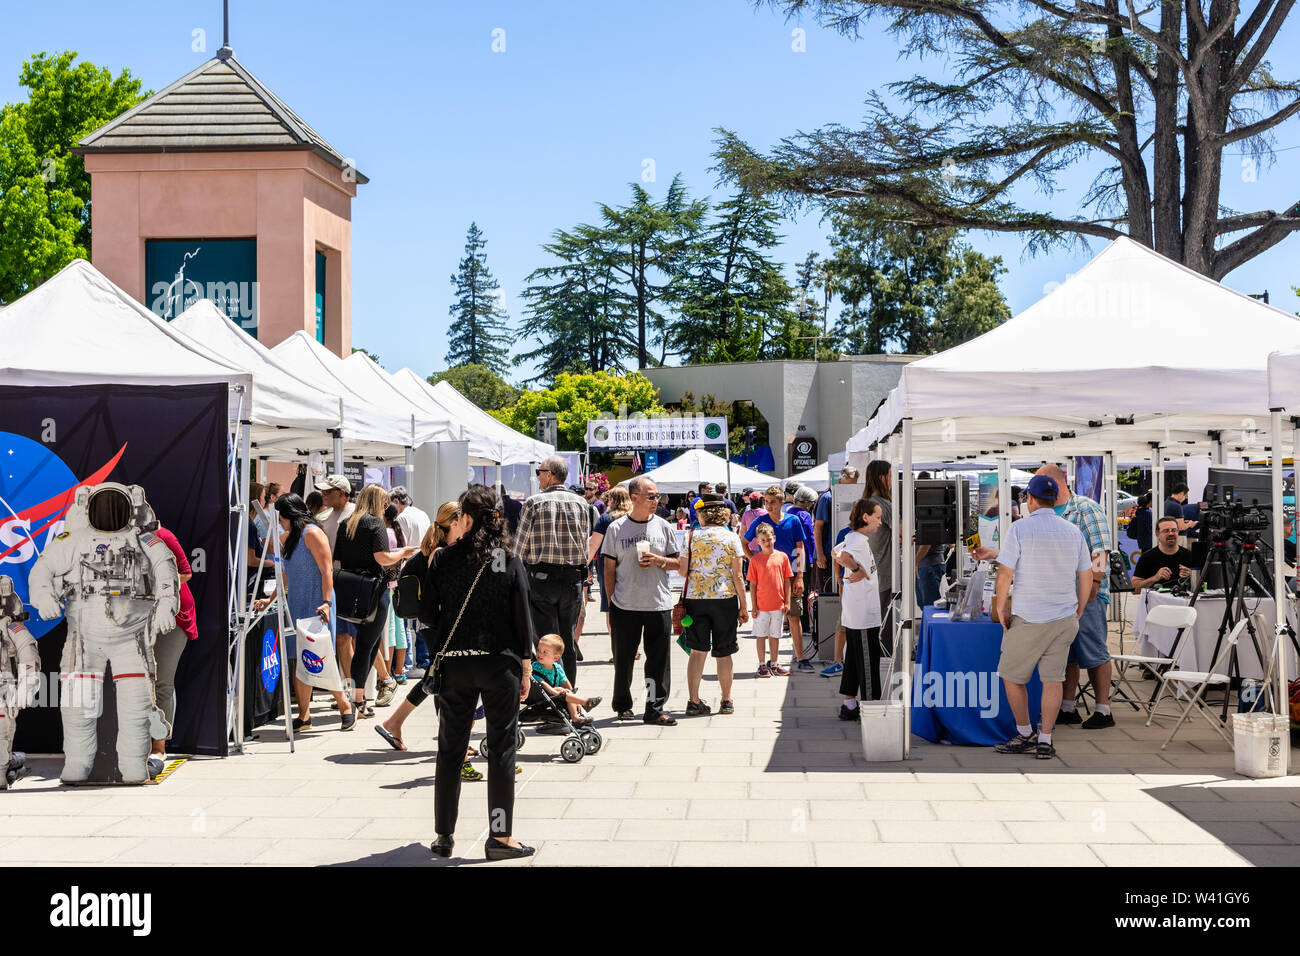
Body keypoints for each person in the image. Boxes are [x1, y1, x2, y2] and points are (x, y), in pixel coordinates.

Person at [424, 485, 536, 861]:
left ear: (465, 519)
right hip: (498, 662)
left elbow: (427, 613)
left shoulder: (443, 558)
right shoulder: (505, 559)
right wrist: (526, 663)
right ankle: (499, 837)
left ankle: (443, 835)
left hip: (455, 663)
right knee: (501, 748)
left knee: (450, 750)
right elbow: (522, 615)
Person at [991, 474, 1093, 760]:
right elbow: (1086, 575)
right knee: (1053, 680)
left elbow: (1005, 573)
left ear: (1030, 500)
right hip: (1063, 616)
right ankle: (1045, 739)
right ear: (1056, 499)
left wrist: (1001, 607)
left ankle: (1025, 734)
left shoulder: (1019, 529)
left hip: (1029, 615)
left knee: (1011, 676)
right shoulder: (1073, 531)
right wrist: (1080, 607)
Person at [253, 494, 354, 733]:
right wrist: (270, 600)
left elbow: (327, 570)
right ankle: (304, 716)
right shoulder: (291, 538)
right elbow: (286, 575)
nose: (278, 519)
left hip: (317, 603)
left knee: (321, 657)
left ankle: (346, 707)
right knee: (299, 659)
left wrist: (327, 602)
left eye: (280, 515)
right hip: (297, 603)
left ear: (289, 514)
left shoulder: (312, 533)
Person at [1040, 464, 1115, 731]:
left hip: (1086, 595)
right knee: (1067, 655)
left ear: (1054, 483)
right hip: (1059, 598)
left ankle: (1103, 710)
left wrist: (1093, 585)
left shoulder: (1085, 508)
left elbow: (1101, 549)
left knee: (1094, 651)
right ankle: (1068, 707)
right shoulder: (1047, 512)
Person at [333, 484, 418, 720]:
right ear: (377, 502)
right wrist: (403, 552)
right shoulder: (375, 523)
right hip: (373, 590)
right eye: (384, 503)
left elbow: (337, 559)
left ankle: (357, 698)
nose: (385, 507)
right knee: (366, 646)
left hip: (348, 589)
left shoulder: (346, 524)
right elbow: (381, 557)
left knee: (363, 644)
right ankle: (357, 700)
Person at [602, 476, 680, 725]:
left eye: (657, 495)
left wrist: (659, 561)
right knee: (623, 659)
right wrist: (612, 600)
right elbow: (608, 569)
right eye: (651, 496)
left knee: (658, 661)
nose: (656, 500)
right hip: (625, 605)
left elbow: (679, 564)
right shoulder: (616, 528)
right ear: (634, 498)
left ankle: (654, 709)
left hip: (658, 603)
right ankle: (623, 705)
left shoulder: (664, 527)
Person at [515, 455, 594, 686]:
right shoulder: (581, 504)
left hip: (542, 578)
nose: (538, 475)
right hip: (571, 578)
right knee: (566, 641)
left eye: (540, 471)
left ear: (549, 475)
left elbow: (520, 547)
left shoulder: (534, 502)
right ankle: (569, 692)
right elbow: (584, 543)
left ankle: (551, 695)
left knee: (544, 641)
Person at [678, 493, 748, 715]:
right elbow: (738, 576)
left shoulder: (690, 537)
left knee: (697, 652)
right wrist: (744, 606)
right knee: (724, 652)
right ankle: (726, 701)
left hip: (696, 599)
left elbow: (682, 570)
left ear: (702, 514)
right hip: (724, 600)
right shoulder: (731, 538)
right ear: (724, 514)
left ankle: (693, 701)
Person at [148, 523, 198, 778]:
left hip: (173, 617)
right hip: (136, 620)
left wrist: (148, 585)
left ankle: (159, 748)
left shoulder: (162, 535)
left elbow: (185, 573)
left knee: (161, 682)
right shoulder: (114, 539)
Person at [743, 484, 810, 669]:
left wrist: (800, 576)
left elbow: (800, 548)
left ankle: (800, 657)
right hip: (767, 580)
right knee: (766, 622)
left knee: (794, 615)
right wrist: (756, 561)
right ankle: (767, 662)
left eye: (772, 502)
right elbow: (744, 542)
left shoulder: (793, 520)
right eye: (766, 502)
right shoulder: (760, 522)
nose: (768, 505)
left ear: (782, 502)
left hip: (790, 575)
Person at [831, 498, 884, 720]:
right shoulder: (857, 541)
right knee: (868, 660)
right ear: (865, 517)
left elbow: (836, 552)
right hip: (862, 614)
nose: (880, 522)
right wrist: (855, 567)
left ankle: (849, 704)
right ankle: (871, 707)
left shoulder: (854, 538)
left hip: (858, 611)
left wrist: (857, 569)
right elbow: (841, 556)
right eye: (878, 517)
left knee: (854, 658)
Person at [590, 486, 637, 663]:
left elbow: (594, 544)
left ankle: (617, 650)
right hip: (631, 566)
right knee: (633, 607)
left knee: (611, 607)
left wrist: (584, 564)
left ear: (611, 500)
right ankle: (633, 648)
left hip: (607, 567)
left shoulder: (605, 519)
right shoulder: (634, 517)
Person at [747, 523, 792, 676]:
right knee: (761, 635)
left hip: (778, 605)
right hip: (761, 606)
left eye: (768, 539)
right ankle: (761, 664)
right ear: (758, 542)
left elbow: (787, 580)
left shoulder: (782, 557)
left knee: (775, 635)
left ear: (774, 538)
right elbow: (752, 584)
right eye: (763, 540)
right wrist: (753, 605)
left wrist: (787, 602)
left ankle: (774, 663)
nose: (767, 542)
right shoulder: (755, 560)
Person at [529, 634, 601, 725]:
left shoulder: (557, 668)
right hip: (540, 695)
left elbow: (566, 682)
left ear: (555, 658)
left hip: (553, 696)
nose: (539, 654)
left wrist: (575, 700)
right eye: (538, 650)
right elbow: (541, 683)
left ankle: (577, 714)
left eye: (544, 652)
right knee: (561, 690)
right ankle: (585, 703)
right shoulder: (535, 667)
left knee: (566, 690)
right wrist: (554, 692)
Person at [1130, 517, 1193, 593]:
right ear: (1157, 534)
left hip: (1183, 603)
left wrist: (1191, 577)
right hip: (1157, 603)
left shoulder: (1189, 556)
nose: (1171, 533)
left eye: (1174, 530)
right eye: (1166, 531)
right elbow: (1134, 589)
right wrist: (1155, 578)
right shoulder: (1147, 557)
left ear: (1178, 532)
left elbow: (1205, 585)